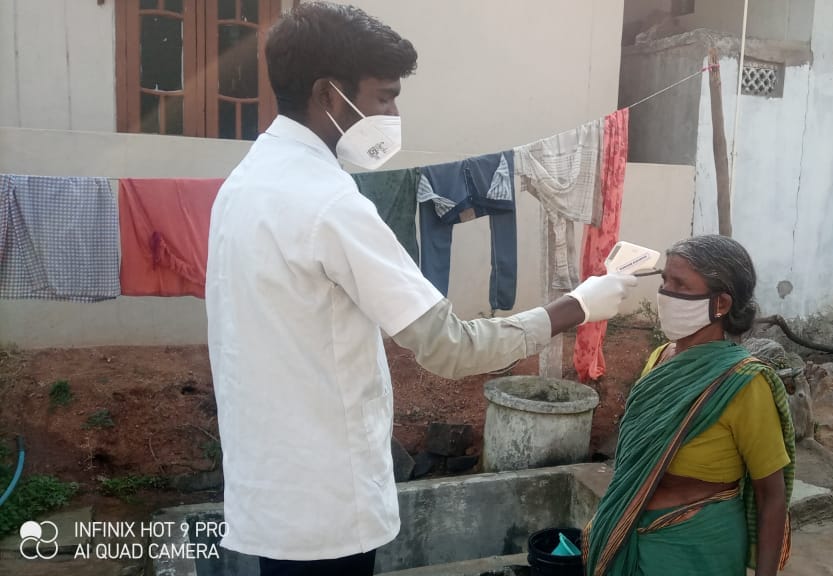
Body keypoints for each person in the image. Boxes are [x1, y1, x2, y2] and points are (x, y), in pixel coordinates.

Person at [205, 4, 637, 575]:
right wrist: (575, 306)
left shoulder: (244, 185)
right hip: (328, 508)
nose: (394, 112)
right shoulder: (330, 205)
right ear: (329, 95)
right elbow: (450, 347)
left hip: (268, 492)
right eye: (384, 97)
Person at [584, 235, 795, 576]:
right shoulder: (660, 358)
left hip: (696, 546)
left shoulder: (744, 384)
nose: (665, 293)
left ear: (721, 303)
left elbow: (771, 494)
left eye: (680, 284)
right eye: (665, 280)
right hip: (630, 528)